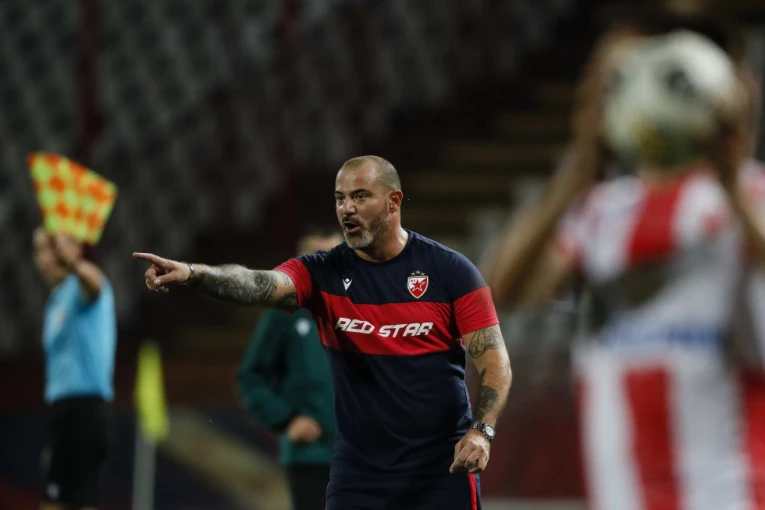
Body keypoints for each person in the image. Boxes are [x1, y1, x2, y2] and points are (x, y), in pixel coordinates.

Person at [484, 13, 765, 510]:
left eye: (615, 82)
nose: (598, 99)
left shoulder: (748, 195)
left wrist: (729, 179)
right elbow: (499, 291)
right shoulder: (603, 211)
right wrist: (578, 170)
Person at [134, 155, 513, 510]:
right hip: (359, 473)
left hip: (440, 469)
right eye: (340, 198)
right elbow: (256, 283)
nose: (347, 208)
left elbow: (495, 364)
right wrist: (194, 273)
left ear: (394, 202)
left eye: (360, 196)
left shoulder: (451, 272)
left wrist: (482, 431)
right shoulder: (320, 273)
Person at [237, 227, 342, 510]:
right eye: (318, 256)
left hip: (363, 455)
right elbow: (251, 377)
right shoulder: (285, 312)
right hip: (311, 454)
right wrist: (287, 420)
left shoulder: (363, 308)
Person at [33, 228, 117, 510]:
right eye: (38, 251)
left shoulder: (82, 287)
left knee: (66, 503)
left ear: (74, 250)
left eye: (49, 249)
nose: (43, 259)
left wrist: (74, 264)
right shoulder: (56, 299)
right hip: (64, 411)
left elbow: (94, 283)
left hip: (85, 409)